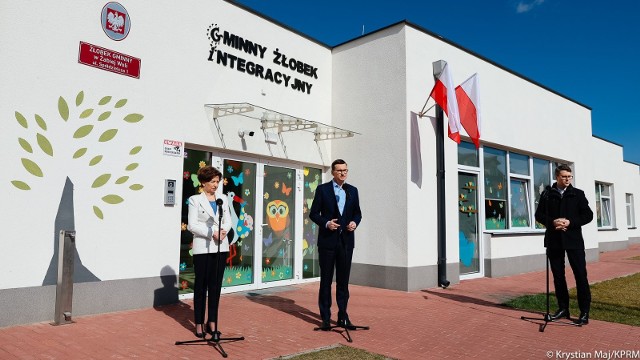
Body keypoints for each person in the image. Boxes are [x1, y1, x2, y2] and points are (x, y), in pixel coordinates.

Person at [535, 164, 593, 325]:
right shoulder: (547, 194)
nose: (567, 179)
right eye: (564, 176)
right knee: (558, 277)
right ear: (557, 177)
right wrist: (552, 222)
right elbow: (538, 215)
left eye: (570, 176)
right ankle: (563, 309)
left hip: (574, 241)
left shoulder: (578, 194)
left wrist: (571, 222)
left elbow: (588, 215)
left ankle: (584, 312)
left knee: (580, 275)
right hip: (554, 241)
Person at [309, 159, 363, 330]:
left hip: (346, 243)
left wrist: (354, 222)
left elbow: (357, 213)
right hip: (327, 242)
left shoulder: (352, 191)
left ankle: (343, 316)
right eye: (339, 170)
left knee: (343, 282)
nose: (343, 173)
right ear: (332, 172)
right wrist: (326, 223)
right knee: (326, 281)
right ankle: (325, 318)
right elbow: (313, 214)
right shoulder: (322, 189)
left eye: (345, 170)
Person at [187, 165, 232, 337]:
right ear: (203, 182)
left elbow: (227, 220)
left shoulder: (223, 199)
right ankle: (198, 322)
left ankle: (211, 322)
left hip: (221, 246)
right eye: (212, 182)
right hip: (203, 247)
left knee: (215, 286)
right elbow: (192, 225)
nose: (215, 185)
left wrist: (223, 231)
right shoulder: (194, 200)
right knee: (201, 286)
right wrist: (211, 233)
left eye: (217, 182)